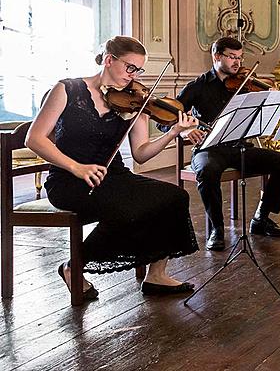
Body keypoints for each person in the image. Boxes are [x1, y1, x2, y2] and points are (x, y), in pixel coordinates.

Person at [25, 36, 200, 299]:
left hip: (114, 175)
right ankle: (75, 266)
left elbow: (141, 154)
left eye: (138, 70)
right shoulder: (67, 90)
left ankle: (156, 275)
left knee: (174, 197)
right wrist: (77, 168)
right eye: (130, 68)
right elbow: (34, 139)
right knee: (127, 209)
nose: (133, 76)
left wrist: (173, 132)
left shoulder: (133, 101)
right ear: (109, 60)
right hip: (69, 180)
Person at [174, 37, 280, 251]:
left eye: (240, 57)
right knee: (208, 171)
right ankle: (216, 229)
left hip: (239, 147)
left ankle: (260, 218)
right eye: (232, 57)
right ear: (216, 56)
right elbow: (169, 117)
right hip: (209, 148)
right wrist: (186, 130)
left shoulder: (245, 84)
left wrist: (274, 99)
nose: (237, 63)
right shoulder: (197, 86)